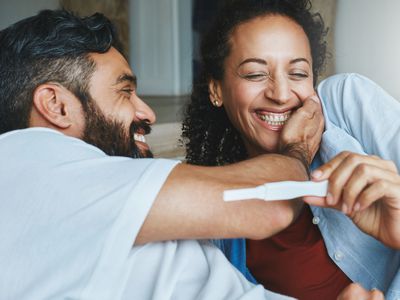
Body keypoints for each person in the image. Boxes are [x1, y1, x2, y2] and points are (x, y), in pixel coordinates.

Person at [0, 8, 331, 300]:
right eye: (125, 92)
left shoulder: (95, 188)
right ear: (56, 106)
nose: (148, 113)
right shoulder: (30, 166)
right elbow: (267, 203)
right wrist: (297, 149)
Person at [182, 0, 400, 299]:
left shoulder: (346, 103)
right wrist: (293, 152)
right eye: (256, 74)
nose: (281, 94)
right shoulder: (221, 218)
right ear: (216, 90)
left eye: (297, 73)